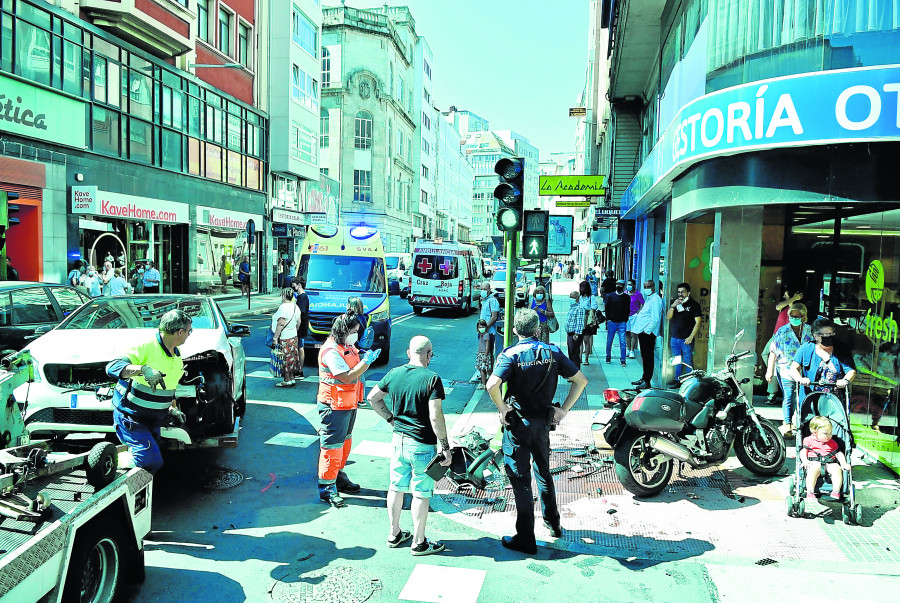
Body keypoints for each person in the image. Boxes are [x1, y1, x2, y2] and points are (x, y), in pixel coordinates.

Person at [486, 309, 589, 554]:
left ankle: (525, 537)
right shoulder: (552, 352)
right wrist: (563, 410)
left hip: (518, 425)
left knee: (521, 481)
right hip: (542, 423)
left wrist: (502, 408)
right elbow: (581, 381)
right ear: (536, 329)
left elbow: (491, 384)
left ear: (514, 330)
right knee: (544, 473)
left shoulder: (510, 354)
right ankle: (553, 524)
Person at [367, 336, 452, 556]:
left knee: (396, 487)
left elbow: (372, 398)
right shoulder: (432, 379)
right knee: (421, 493)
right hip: (422, 444)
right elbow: (436, 416)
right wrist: (445, 446)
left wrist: (390, 419)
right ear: (429, 354)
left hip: (399, 441)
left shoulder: (394, 373)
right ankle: (419, 541)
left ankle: (394, 533)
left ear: (408, 353)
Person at [105, 309, 192, 473]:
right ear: (180, 332)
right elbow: (112, 367)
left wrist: (172, 408)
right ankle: (109, 460)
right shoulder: (147, 346)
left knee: (151, 462)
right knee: (150, 461)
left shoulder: (176, 355)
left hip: (152, 421)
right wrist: (142, 370)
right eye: (189, 331)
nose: (189, 334)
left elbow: (169, 387)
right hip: (131, 418)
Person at [316, 310, 381, 507]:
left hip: (346, 404)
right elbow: (346, 376)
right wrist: (365, 362)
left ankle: (337, 477)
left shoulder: (346, 346)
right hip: (333, 406)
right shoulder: (331, 351)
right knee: (332, 447)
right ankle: (327, 488)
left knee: (344, 443)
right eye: (354, 331)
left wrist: (364, 357)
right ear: (343, 331)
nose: (357, 335)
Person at [767, 302, 815, 436]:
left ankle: (799, 423)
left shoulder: (810, 331)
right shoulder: (782, 331)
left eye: (797, 316)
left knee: (801, 398)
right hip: (786, 369)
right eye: (791, 316)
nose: (794, 318)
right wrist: (769, 370)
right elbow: (773, 351)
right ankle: (787, 424)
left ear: (804, 317)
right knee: (789, 397)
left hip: (804, 372)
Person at [788, 317, 855, 406]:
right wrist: (800, 379)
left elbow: (851, 370)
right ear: (815, 336)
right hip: (810, 399)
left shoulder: (841, 349)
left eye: (830, 334)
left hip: (834, 402)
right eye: (824, 335)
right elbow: (793, 368)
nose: (828, 337)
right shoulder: (806, 348)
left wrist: (845, 380)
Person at [801, 416, 851, 501]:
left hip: (830, 462)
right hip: (814, 462)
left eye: (830, 432)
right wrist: (805, 460)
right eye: (825, 433)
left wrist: (843, 463)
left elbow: (839, 453)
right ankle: (810, 491)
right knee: (812, 471)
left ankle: (836, 490)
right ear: (814, 432)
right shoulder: (808, 440)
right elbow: (803, 451)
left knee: (837, 469)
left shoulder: (832, 442)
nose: (829, 436)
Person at [630, 280, 665, 389]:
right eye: (645, 286)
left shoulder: (655, 300)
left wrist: (647, 330)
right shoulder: (650, 299)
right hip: (643, 331)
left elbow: (655, 318)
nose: (646, 288)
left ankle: (647, 381)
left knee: (648, 357)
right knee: (645, 356)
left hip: (648, 333)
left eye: (648, 286)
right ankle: (644, 378)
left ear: (654, 287)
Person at [666, 282, 702, 386]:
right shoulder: (675, 303)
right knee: (677, 360)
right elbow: (668, 317)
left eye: (683, 292)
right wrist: (673, 306)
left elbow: (698, 322)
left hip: (686, 338)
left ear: (688, 293)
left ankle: (690, 382)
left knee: (687, 361)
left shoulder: (694, 305)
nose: (680, 294)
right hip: (675, 337)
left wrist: (691, 336)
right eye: (679, 292)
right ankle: (678, 380)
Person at [271, 289, 302, 387]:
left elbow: (281, 323)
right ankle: (292, 378)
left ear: (284, 296)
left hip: (285, 337)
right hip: (293, 336)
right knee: (292, 358)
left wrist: (275, 337)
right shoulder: (295, 306)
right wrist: (294, 330)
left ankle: (286, 380)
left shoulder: (283, 307)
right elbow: (299, 322)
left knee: (285, 358)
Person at [604, 279, 630, 367]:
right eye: (617, 284)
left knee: (622, 341)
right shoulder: (610, 296)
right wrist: (608, 319)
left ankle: (623, 359)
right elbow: (606, 308)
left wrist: (625, 319)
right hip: (612, 322)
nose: (619, 286)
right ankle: (608, 356)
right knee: (609, 340)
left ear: (624, 286)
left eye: (621, 285)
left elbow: (627, 309)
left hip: (622, 322)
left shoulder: (626, 297)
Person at [292, 276, 310, 379]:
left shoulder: (302, 297)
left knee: (300, 347)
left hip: (301, 325)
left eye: (294, 286)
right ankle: (298, 369)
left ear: (299, 285)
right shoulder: (301, 296)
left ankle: (300, 371)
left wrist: (297, 326)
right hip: (302, 324)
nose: (293, 288)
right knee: (299, 347)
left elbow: (300, 313)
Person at [578, 280, 599, 365]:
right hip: (580, 321)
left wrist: (587, 311)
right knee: (579, 342)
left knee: (586, 341)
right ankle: (579, 358)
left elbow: (594, 307)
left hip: (588, 321)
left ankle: (586, 358)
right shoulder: (579, 298)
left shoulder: (591, 297)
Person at [564, 289, 586, 368]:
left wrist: (576, 334)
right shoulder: (572, 307)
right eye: (570, 297)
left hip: (574, 334)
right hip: (569, 333)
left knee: (574, 354)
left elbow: (579, 322)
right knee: (571, 353)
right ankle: (572, 372)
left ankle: (576, 373)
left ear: (577, 298)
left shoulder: (579, 308)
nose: (571, 299)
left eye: (573, 297)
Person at [479, 282, 501, 359]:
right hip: (483, 331)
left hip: (489, 331)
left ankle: (489, 370)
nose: (482, 291)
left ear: (489, 290)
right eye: (481, 289)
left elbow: (494, 317)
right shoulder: (485, 300)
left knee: (488, 353)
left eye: (484, 289)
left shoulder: (492, 301)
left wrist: (486, 327)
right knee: (482, 351)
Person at [625, 279, 644, 359]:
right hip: (626, 316)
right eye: (628, 284)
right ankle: (628, 349)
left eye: (630, 284)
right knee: (627, 333)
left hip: (634, 316)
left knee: (633, 334)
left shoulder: (638, 294)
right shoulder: (625, 293)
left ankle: (632, 350)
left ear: (634, 285)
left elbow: (642, 304)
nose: (628, 286)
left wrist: (638, 313)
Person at [475, 319, 492, 387]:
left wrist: (485, 355)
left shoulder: (486, 335)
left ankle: (483, 384)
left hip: (484, 354)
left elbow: (487, 346)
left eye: (482, 327)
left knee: (483, 369)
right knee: (481, 368)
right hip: (480, 354)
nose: (481, 329)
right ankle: (484, 382)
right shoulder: (481, 335)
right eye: (479, 327)